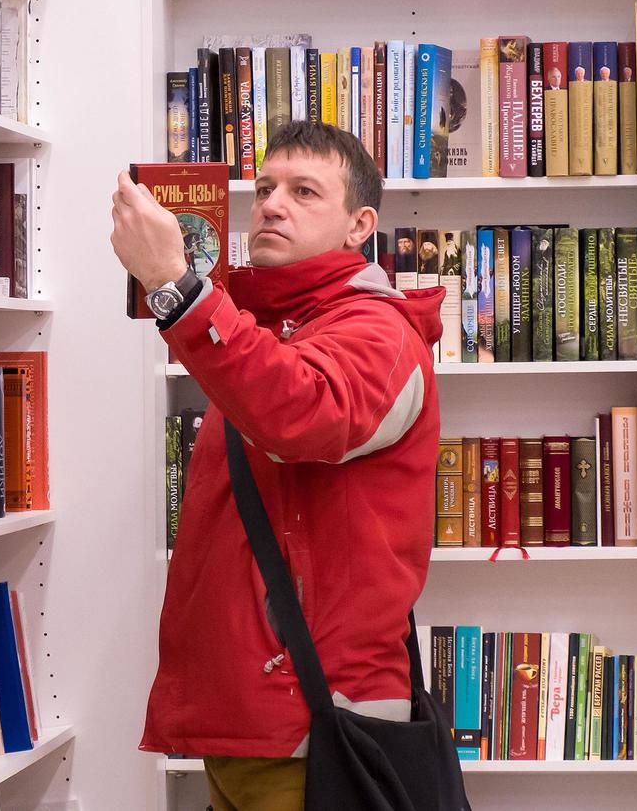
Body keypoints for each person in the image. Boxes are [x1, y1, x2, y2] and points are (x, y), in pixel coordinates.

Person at [110, 121, 445, 811]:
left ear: (360, 225)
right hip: (253, 720)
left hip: (316, 722)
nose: (270, 204)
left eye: (303, 191)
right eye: (263, 188)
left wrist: (177, 284)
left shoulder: (379, 332)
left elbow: (302, 413)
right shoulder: (265, 331)